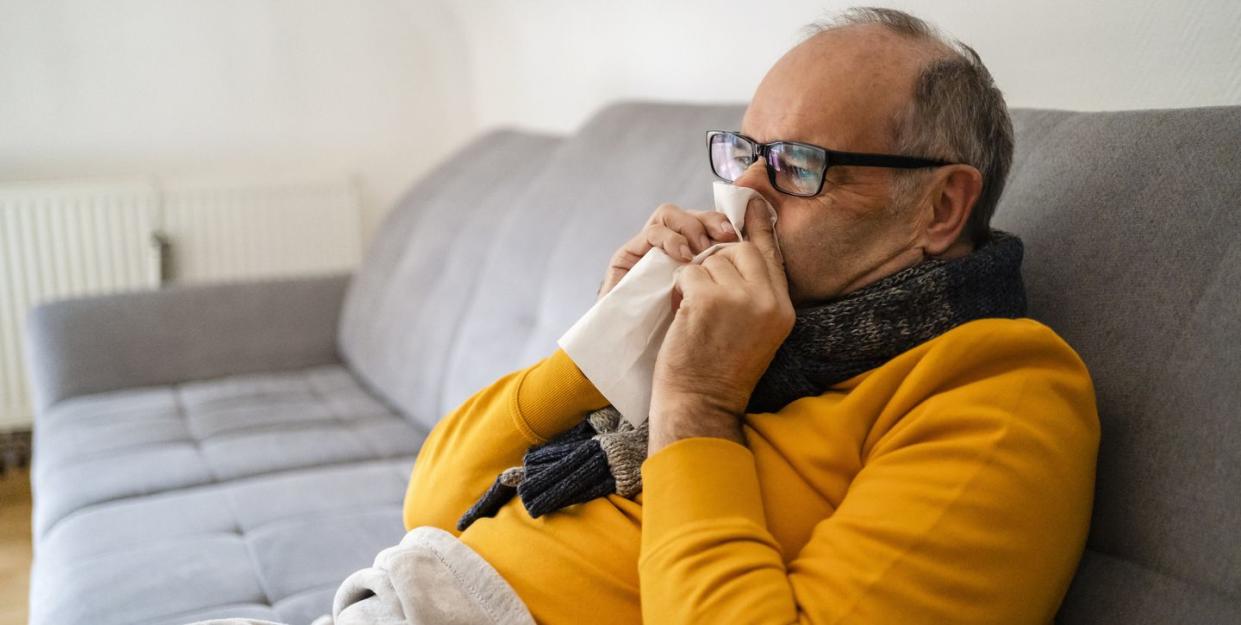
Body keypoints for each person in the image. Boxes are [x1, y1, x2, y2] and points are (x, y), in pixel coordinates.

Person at [397, 7, 1099, 625]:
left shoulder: (996, 395)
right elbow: (429, 505)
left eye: (796, 165)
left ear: (940, 207)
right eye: (742, 156)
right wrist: (610, 347)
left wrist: (698, 405)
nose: (744, 196)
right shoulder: (753, 336)